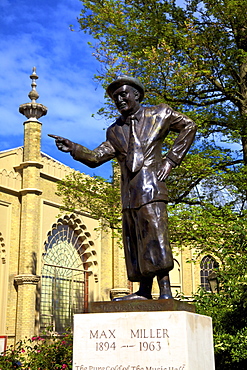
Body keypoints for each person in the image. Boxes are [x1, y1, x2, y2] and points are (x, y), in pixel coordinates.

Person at [49, 76, 196, 301]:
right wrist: (74, 148)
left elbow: (189, 125)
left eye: (123, 94)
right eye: (115, 97)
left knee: (156, 236)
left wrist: (171, 160)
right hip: (129, 194)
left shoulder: (159, 114)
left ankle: (165, 291)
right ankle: (144, 292)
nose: (119, 99)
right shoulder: (114, 131)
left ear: (136, 94)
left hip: (152, 187)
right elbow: (96, 157)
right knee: (136, 240)